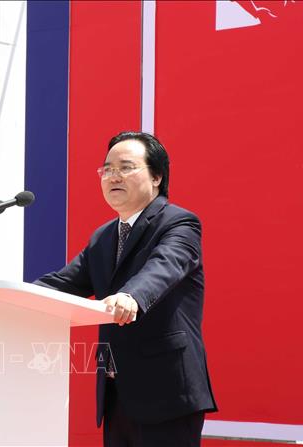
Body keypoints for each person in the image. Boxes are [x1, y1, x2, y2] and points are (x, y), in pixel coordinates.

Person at [34, 131, 217, 446]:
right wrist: (1, 295)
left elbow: (163, 267)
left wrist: (132, 296)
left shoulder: (179, 224)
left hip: (167, 394)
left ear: (156, 176)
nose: (113, 176)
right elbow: (63, 284)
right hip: (117, 397)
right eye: (107, 169)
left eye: (125, 167)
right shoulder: (103, 237)